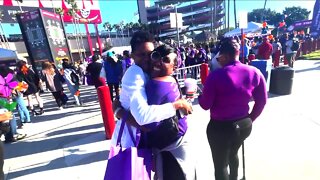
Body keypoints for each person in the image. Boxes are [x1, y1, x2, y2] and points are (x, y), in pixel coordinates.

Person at [110, 31, 193, 179]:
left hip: (145, 138)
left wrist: (118, 109)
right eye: (141, 55)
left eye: (150, 53)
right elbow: (142, 117)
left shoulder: (149, 72)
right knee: (132, 174)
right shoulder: (134, 74)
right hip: (132, 139)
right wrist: (176, 105)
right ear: (132, 56)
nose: (147, 59)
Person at [198, 37, 267, 180]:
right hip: (244, 125)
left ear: (225, 55)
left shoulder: (216, 76)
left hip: (220, 127)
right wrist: (250, 118)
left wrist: (199, 96)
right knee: (233, 152)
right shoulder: (254, 72)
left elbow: (205, 105)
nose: (218, 61)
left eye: (219, 57)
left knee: (220, 164)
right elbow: (262, 101)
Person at [141, 44, 195, 179]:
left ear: (174, 66)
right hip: (179, 139)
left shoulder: (155, 84)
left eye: (165, 60)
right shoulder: (171, 78)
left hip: (169, 147)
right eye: (156, 56)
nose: (158, 62)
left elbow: (148, 124)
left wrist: (120, 112)